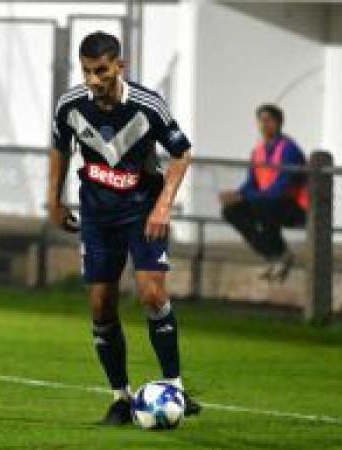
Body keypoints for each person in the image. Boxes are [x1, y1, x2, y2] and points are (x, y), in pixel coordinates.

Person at [47, 31, 200, 425]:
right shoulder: (70, 106)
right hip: (97, 216)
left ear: (119, 66)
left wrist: (163, 206)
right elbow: (59, 147)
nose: (94, 80)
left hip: (143, 211)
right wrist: (53, 200)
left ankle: (175, 386)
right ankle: (120, 398)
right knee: (100, 305)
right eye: (86, 72)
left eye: (101, 71)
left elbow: (182, 154)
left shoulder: (148, 106)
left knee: (151, 294)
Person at [219, 104, 307, 281]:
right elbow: (252, 183)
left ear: (279, 123)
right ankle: (274, 255)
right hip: (266, 202)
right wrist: (236, 195)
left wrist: (249, 196)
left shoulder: (289, 149)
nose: (264, 124)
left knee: (262, 206)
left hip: (294, 206)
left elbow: (284, 185)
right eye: (261, 120)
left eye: (268, 120)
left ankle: (279, 255)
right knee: (230, 210)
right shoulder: (257, 151)